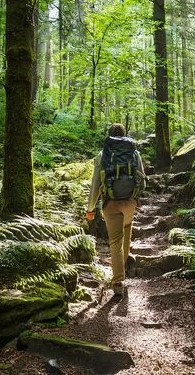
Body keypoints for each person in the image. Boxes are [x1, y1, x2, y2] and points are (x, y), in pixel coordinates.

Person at [85, 123, 146, 296]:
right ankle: (122, 270)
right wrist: (135, 196)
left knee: (115, 241)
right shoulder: (135, 153)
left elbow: (96, 184)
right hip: (130, 202)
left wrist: (90, 209)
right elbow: (143, 180)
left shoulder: (103, 154)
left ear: (109, 135)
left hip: (111, 203)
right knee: (126, 232)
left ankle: (118, 280)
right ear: (125, 135)